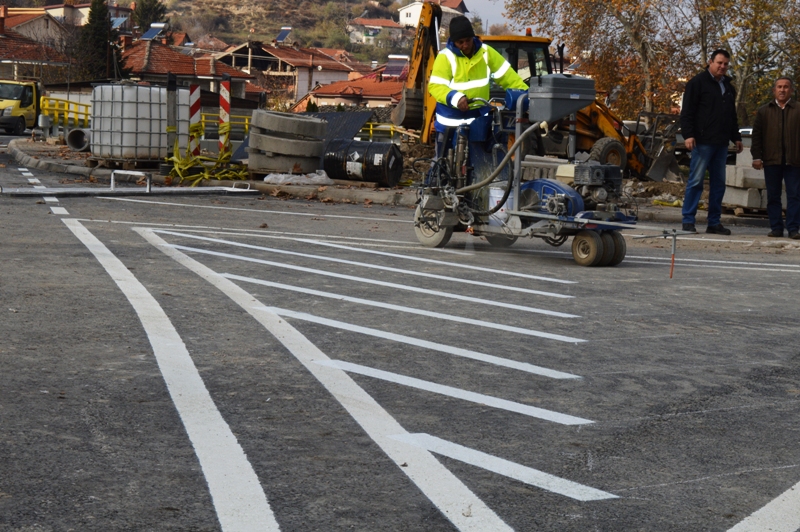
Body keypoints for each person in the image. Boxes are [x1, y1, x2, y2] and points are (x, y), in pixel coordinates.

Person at [428, 16, 527, 169]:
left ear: (473, 36)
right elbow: (435, 86)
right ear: (453, 41)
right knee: (441, 166)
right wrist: (456, 97)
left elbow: (509, 77)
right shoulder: (445, 57)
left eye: (468, 40)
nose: (465, 45)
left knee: (479, 164)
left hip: (478, 120)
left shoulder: (487, 53)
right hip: (450, 123)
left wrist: (526, 96)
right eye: (460, 42)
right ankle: (434, 186)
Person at [680, 49, 744, 235]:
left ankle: (714, 222)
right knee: (696, 181)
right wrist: (689, 135)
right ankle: (688, 220)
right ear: (710, 62)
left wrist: (736, 137)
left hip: (721, 143)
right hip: (702, 142)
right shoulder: (697, 83)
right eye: (719, 63)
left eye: (725, 64)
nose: (722, 67)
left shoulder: (728, 87)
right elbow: (687, 113)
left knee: (718, 184)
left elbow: (731, 116)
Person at [750, 77, 800, 239]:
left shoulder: (798, 109)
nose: (782, 90)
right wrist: (757, 157)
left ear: (791, 90)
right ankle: (776, 228)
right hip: (772, 160)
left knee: (794, 195)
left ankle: (793, 229)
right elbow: (756, 136)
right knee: (773, 195)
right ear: (774, 90)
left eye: (786, 87)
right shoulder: (764, 111)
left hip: (794, 161)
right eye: (779, 87)